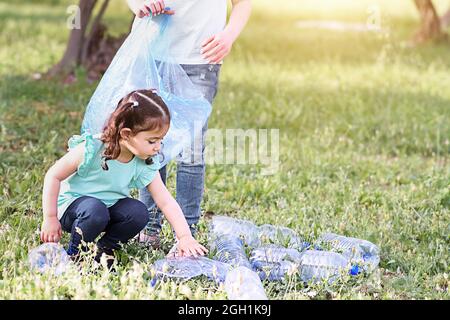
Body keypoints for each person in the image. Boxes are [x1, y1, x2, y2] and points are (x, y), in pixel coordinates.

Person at [125, 0, 252, 248]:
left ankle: (186, 234)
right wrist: (138, 5)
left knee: (191, 152)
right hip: (152, 52)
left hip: (200, 59)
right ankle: (149, 229)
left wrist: (229, 36)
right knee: (149, 145)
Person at [40, 89, 208, 267]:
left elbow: (165, 201)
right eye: (152, 141)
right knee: (95, 210)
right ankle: (75, 254)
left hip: (105, 210)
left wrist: (184, 236)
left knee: (138, 212)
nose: (158, 147)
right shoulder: (93, 148)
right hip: (73, 210)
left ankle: (105, 249)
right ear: (126, 134)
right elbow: (53, 175)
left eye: (161, 140)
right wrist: (50, 217)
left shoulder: (144, 162)